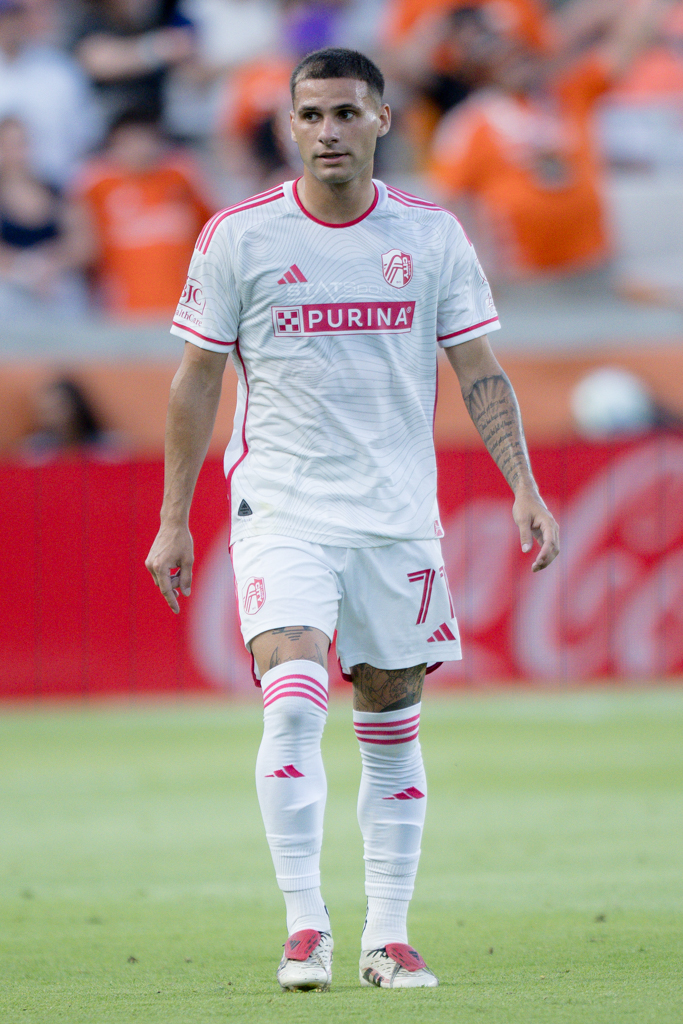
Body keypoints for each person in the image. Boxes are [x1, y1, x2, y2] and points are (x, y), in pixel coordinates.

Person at [145, 47, 559, 992]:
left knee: (390, 721)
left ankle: (388, 937)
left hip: (396, 520)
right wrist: (174, 518)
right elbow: (194, 381)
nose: (327, 131)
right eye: (310, 115)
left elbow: (479, 371)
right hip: (281, 507)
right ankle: (304, 927)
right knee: (292, 696)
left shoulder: (432, 235)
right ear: (289, 126)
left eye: (344, 113)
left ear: (382, 120)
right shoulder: (239, 236)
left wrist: (524, 485)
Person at [428, 0, 677, 278]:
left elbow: (629, 44)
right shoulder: (469, 123)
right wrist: (474, 266)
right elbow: (448, 201)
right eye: (503, 56)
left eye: (521, 52)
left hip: (593, 264)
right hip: (523, 277)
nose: (515, 61)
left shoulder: (569, 92)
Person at [73, 108, 214, 318]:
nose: (140, 148)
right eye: (130, 141)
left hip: (186, 307)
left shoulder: (181, 176)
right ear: (114, 144)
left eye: (146, 139)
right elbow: (84, 246)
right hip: (123, 310)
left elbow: (213, 230)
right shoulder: (95, 185)